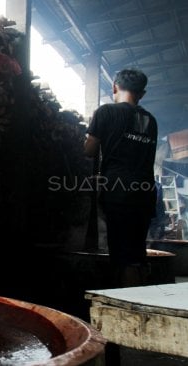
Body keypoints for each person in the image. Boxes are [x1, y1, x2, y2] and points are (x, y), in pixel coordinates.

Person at [84, 68, 158, 287]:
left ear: (114, 86)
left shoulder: (105, 112)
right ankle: (138, 297)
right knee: (136, 252)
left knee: (122, 255)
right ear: (142, 94)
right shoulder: (150, 120)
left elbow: (89, 150)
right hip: (144, 194)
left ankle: (128, 305)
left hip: (119, 193)